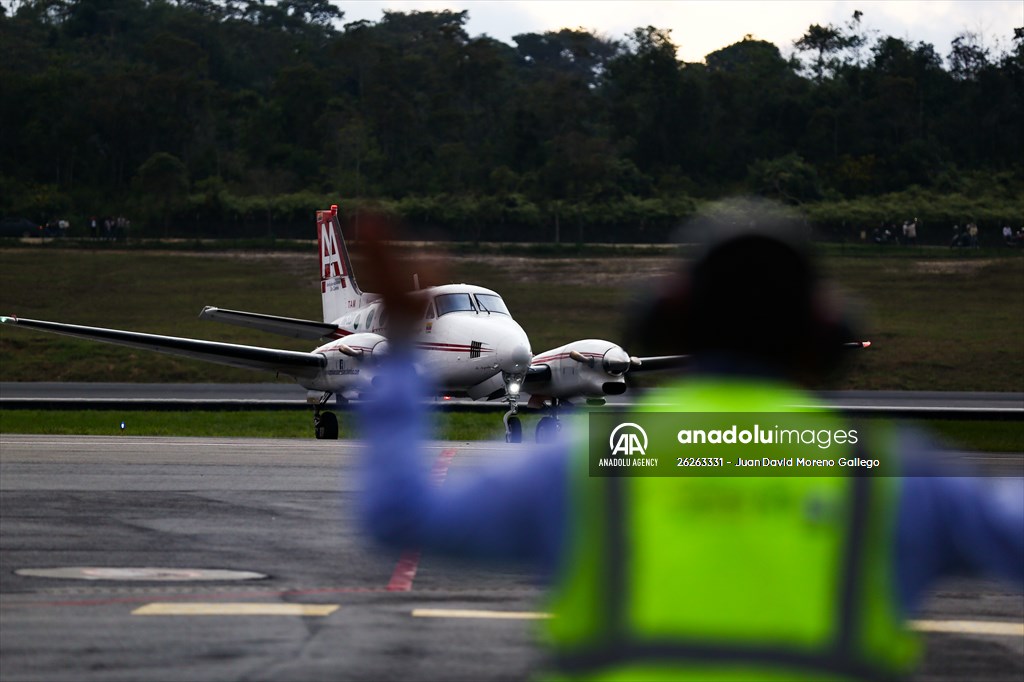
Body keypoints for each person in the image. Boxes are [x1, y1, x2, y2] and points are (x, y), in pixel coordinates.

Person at [357, 200, 1023, 681]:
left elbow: (401, 516)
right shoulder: (901, 474)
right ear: (824, 338)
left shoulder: (576, 462)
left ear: (664, 322)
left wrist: (400, 355)